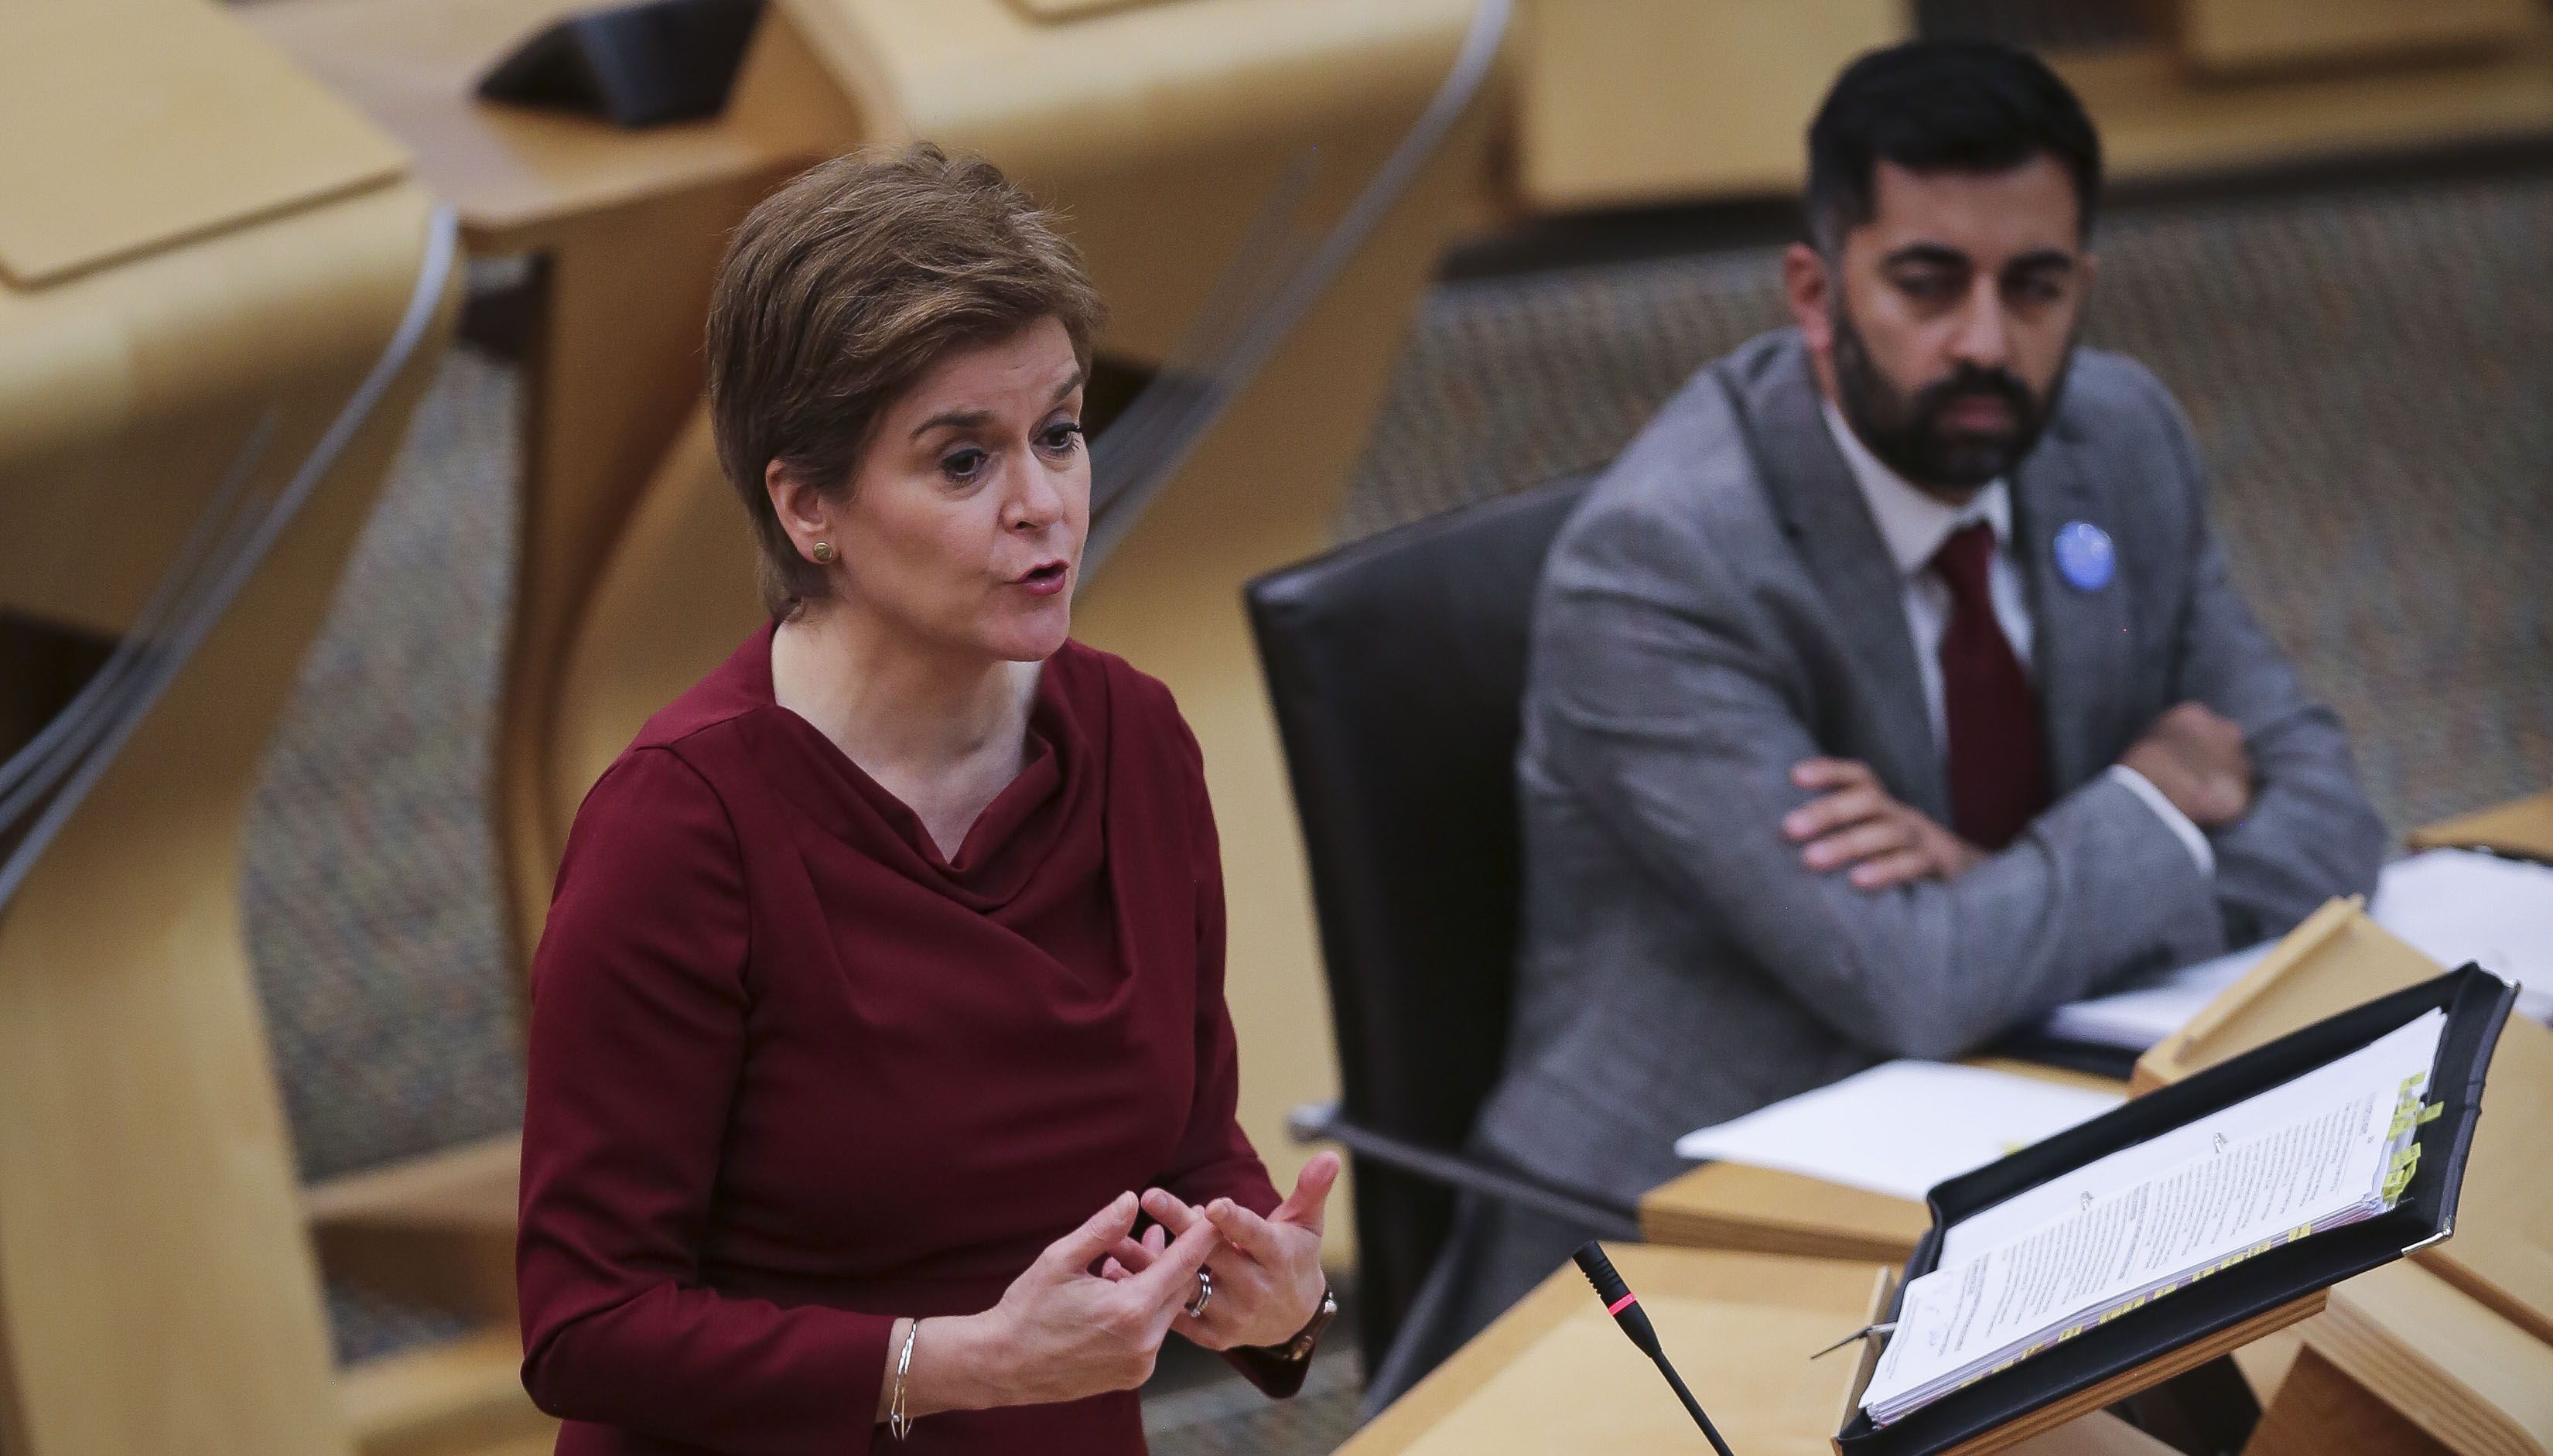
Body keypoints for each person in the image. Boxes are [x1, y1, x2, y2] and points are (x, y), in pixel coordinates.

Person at [1385, 39, 2388, 1396]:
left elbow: (2333, 822)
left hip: (2009, 1134)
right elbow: (1908, 979)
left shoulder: (2116, 437)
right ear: (1816, 290)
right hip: (1683, 1223)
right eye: (1928, 282)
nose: (1985, 339)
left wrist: (2001, 890)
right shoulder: (1663, 563)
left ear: (2081, 287)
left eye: (2032, 287)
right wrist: (2149, 809)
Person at [514, 144, 1340, 1456]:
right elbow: (585, 1323)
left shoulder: (1136, 738)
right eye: (964, 463)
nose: (1045, 505)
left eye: (1060, 433)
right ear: (808, 507)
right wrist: (957, 1364)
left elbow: (1184, 1144)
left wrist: (1279, 1291)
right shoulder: (681, 830)